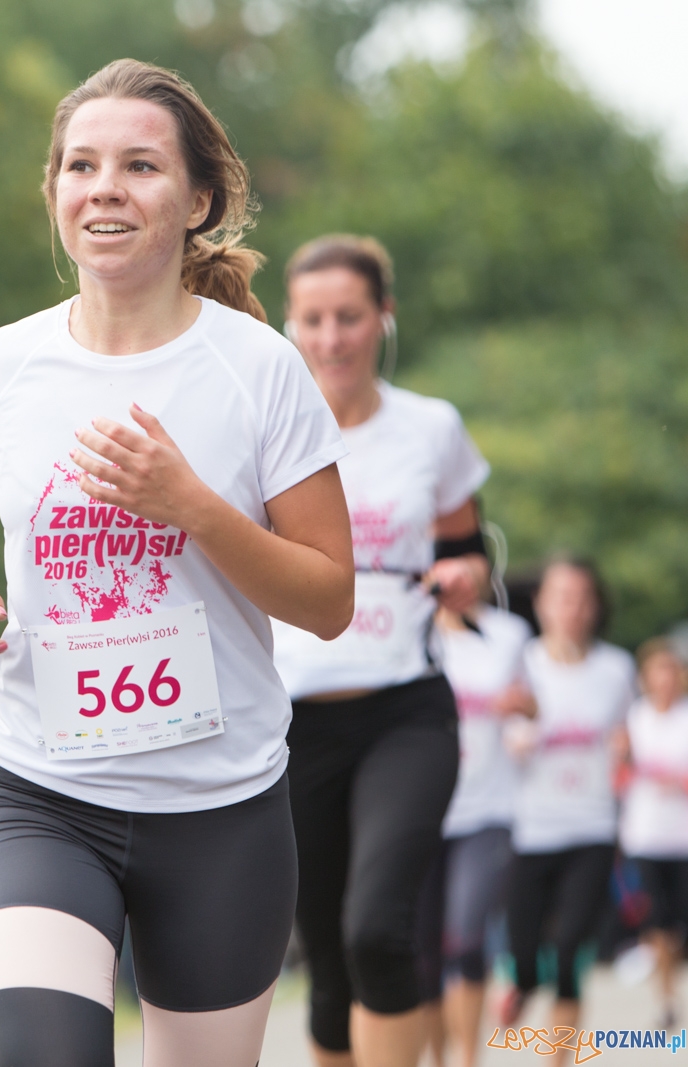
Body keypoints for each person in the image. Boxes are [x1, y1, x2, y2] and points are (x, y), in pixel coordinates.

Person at [0, 59, 356, 1067]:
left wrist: (189, 505)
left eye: (139, 165)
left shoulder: (256, 370)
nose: (103, 185)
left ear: (195, 201)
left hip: (221, 807)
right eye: (80, 164)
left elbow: (328, 596)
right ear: (56, 193)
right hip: (40, 791)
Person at [273, 233, 490, 1067]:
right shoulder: (263, 433)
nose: (332, 338)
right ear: (292, 326)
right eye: (314, 319)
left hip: (406, 710)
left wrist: (467, 576)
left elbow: (469, 547)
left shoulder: (431, 428)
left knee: (377, 931)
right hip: (292, 726)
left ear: (383, 319)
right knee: (327, 958)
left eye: (350, 317)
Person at [501, 557, 634, 1061]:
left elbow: (627, 735)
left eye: (582, 598)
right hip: (532, 828)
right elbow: (504, 737)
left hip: (593, 827)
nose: (572, 609)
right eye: (561, 597)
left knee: (570, 948)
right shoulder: (521, 664)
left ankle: (558, 1057)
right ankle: (524, 983)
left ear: (596, 606)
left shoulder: (617, 669)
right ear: (541, 604)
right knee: (524, 954)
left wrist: (625, 752)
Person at [417, 596, 535, 1067]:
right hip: (422, 809)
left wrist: (524, 709)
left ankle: (469, 1058)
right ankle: (437, 1058)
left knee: (466, 937)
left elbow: (533, 710)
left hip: (488, 808)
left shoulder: (508, 635)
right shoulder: (409, 630)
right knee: (423, 952)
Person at [616, 637, 688, 1029]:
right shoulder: (633, 718)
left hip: (683, 838)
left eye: (671, 669)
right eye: (658, 670)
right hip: (644, 836)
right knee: (658, 922)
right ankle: (666, 997)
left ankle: (668, 981)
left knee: (677, 925)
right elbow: (617, 775)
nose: (666, 678)